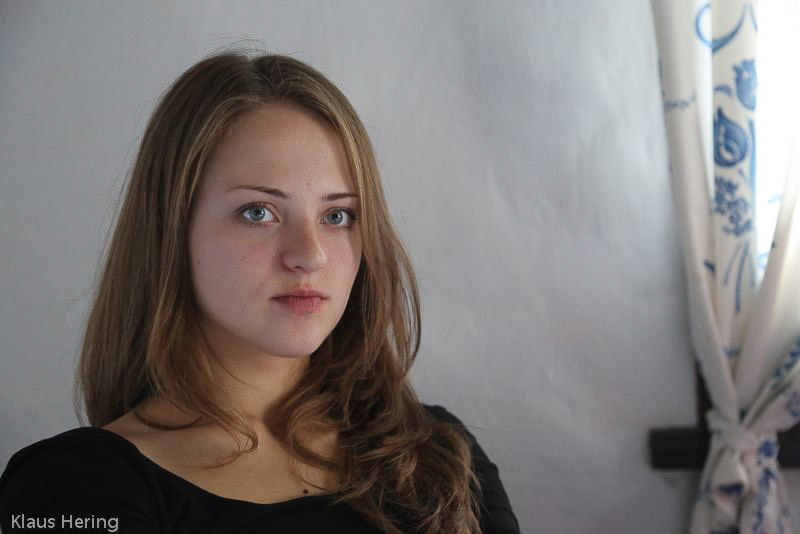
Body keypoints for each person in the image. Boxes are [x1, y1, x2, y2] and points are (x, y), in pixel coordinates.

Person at [0, 50, 520, 534]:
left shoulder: (437, 450)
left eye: (338, 216)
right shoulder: (70, 489)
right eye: (258, 212)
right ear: (172, 230)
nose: (309, 255)